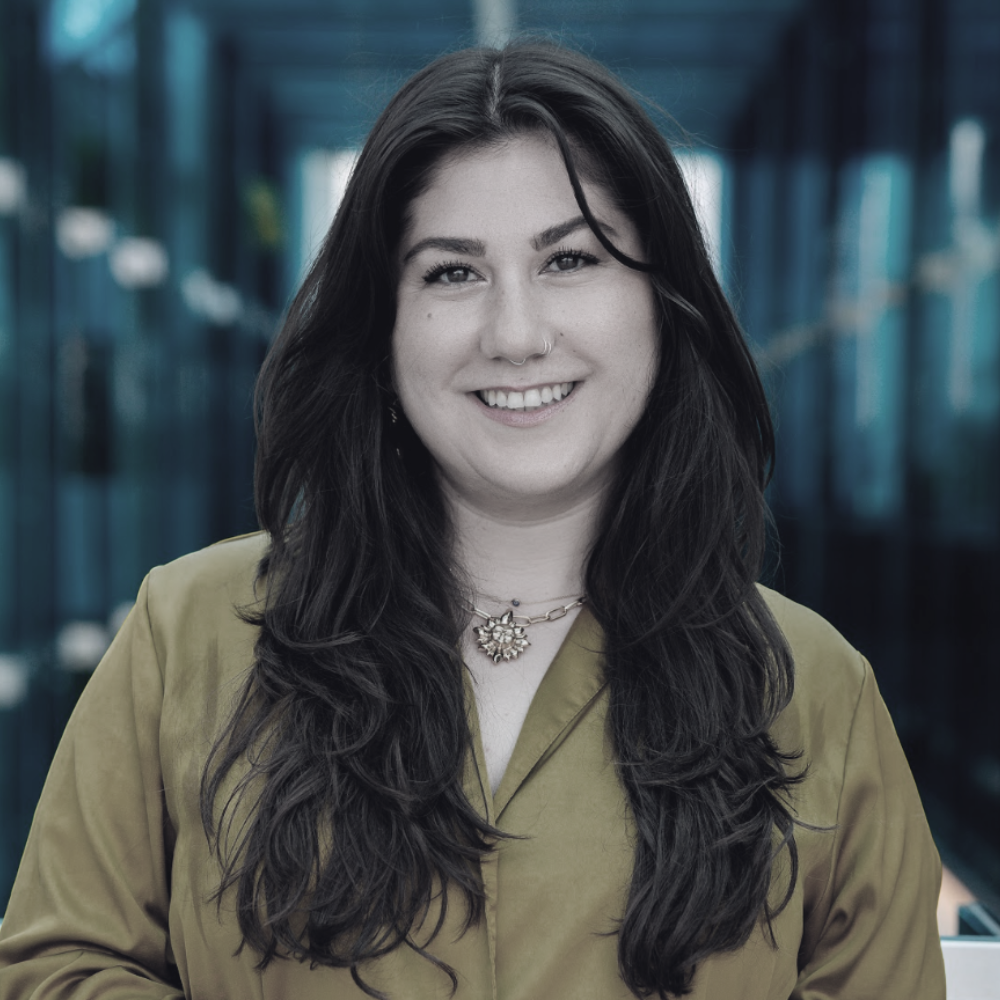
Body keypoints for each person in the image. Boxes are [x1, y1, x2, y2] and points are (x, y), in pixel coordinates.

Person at [0, 41, 945, 1000]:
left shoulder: (813, 691)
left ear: (663, 307)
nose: (516, 335)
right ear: (382, 327)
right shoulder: (188, 634)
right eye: (453, 274)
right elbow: (56, 968)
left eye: (570, 259)